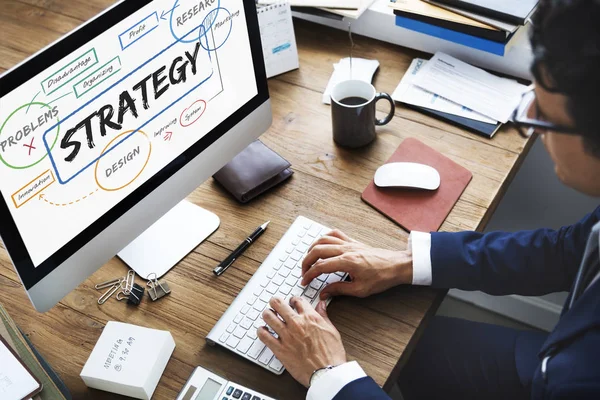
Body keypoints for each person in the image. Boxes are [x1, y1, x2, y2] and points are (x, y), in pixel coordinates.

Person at [256, 0, 600, 398]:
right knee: (415, 351)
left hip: (558, 377)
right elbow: (567, 251)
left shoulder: (582, 383)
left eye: (544, 117)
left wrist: (330, 374)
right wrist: (407, 261)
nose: (534, 131)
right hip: (553, 360)